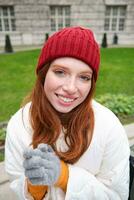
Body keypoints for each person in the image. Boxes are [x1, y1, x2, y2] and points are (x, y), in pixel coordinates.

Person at [5, 26, 130, 200]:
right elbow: (16, 184)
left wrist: (65, 177)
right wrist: (34, 188)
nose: (71, 88)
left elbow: (117, 195)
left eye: (84, 77)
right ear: (43, 73)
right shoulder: (20, 123)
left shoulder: (108, 126)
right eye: (60, 72)